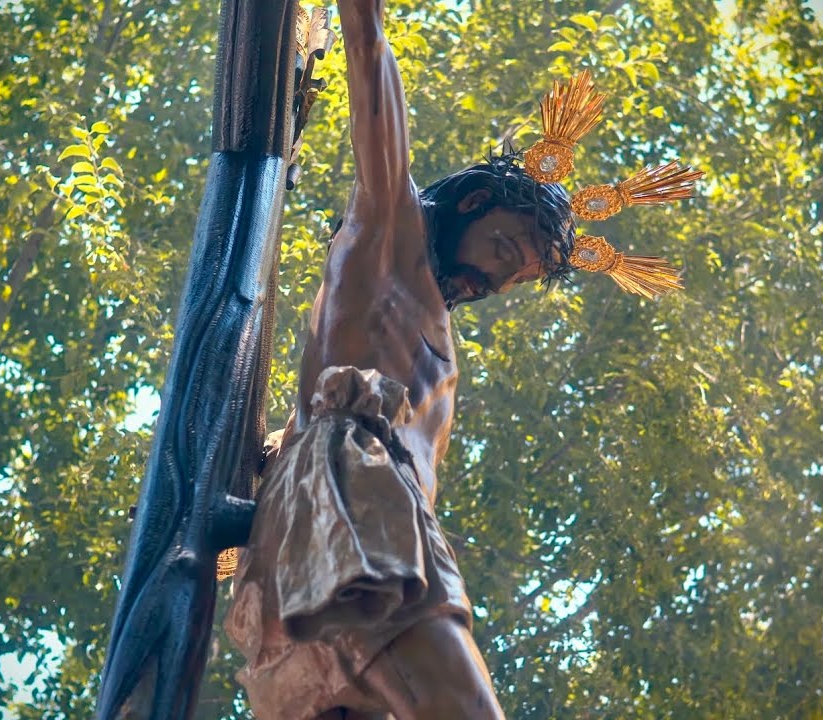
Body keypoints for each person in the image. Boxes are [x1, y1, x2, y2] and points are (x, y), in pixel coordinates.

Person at [224, 2, 701, 718]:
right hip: (356, 515)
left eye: (520, 277)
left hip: (377, 529)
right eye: (505, 249)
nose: (499, 281)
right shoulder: (390, 229)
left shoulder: (436, 333)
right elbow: (373, 70)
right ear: (475, 202)